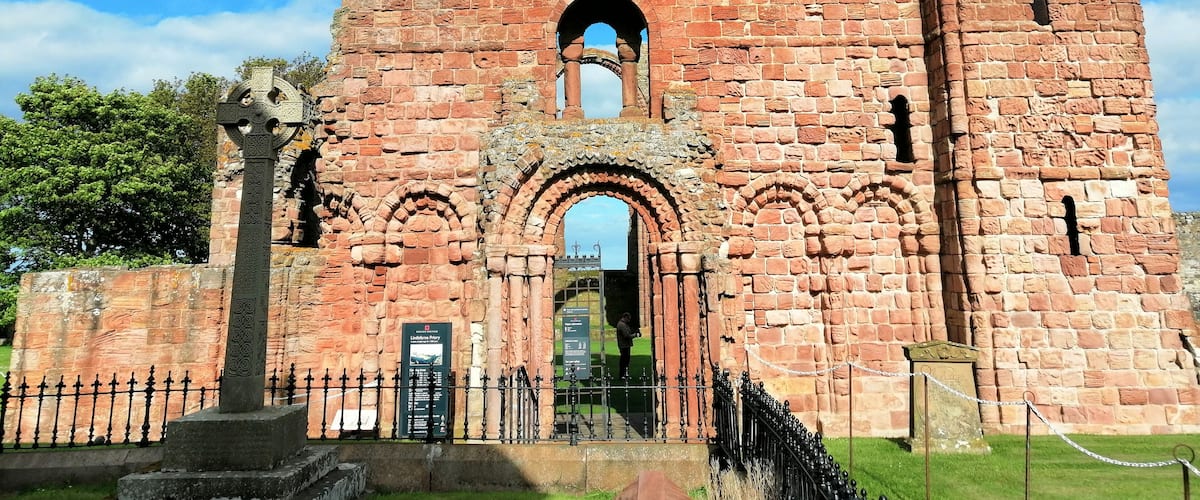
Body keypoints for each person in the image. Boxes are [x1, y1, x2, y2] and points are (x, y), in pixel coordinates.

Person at [616, 312, 639, 378]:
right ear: (625, 317)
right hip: (624, 345)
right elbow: (626, 335)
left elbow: (628, 331)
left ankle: (625, 374)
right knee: (624, 361)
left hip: (625, 345)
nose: (629, 320)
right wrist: (635, 335)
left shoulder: (623, 324)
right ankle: (622, 375)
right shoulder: (622, 325)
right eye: (628, 319)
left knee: (626, 361)